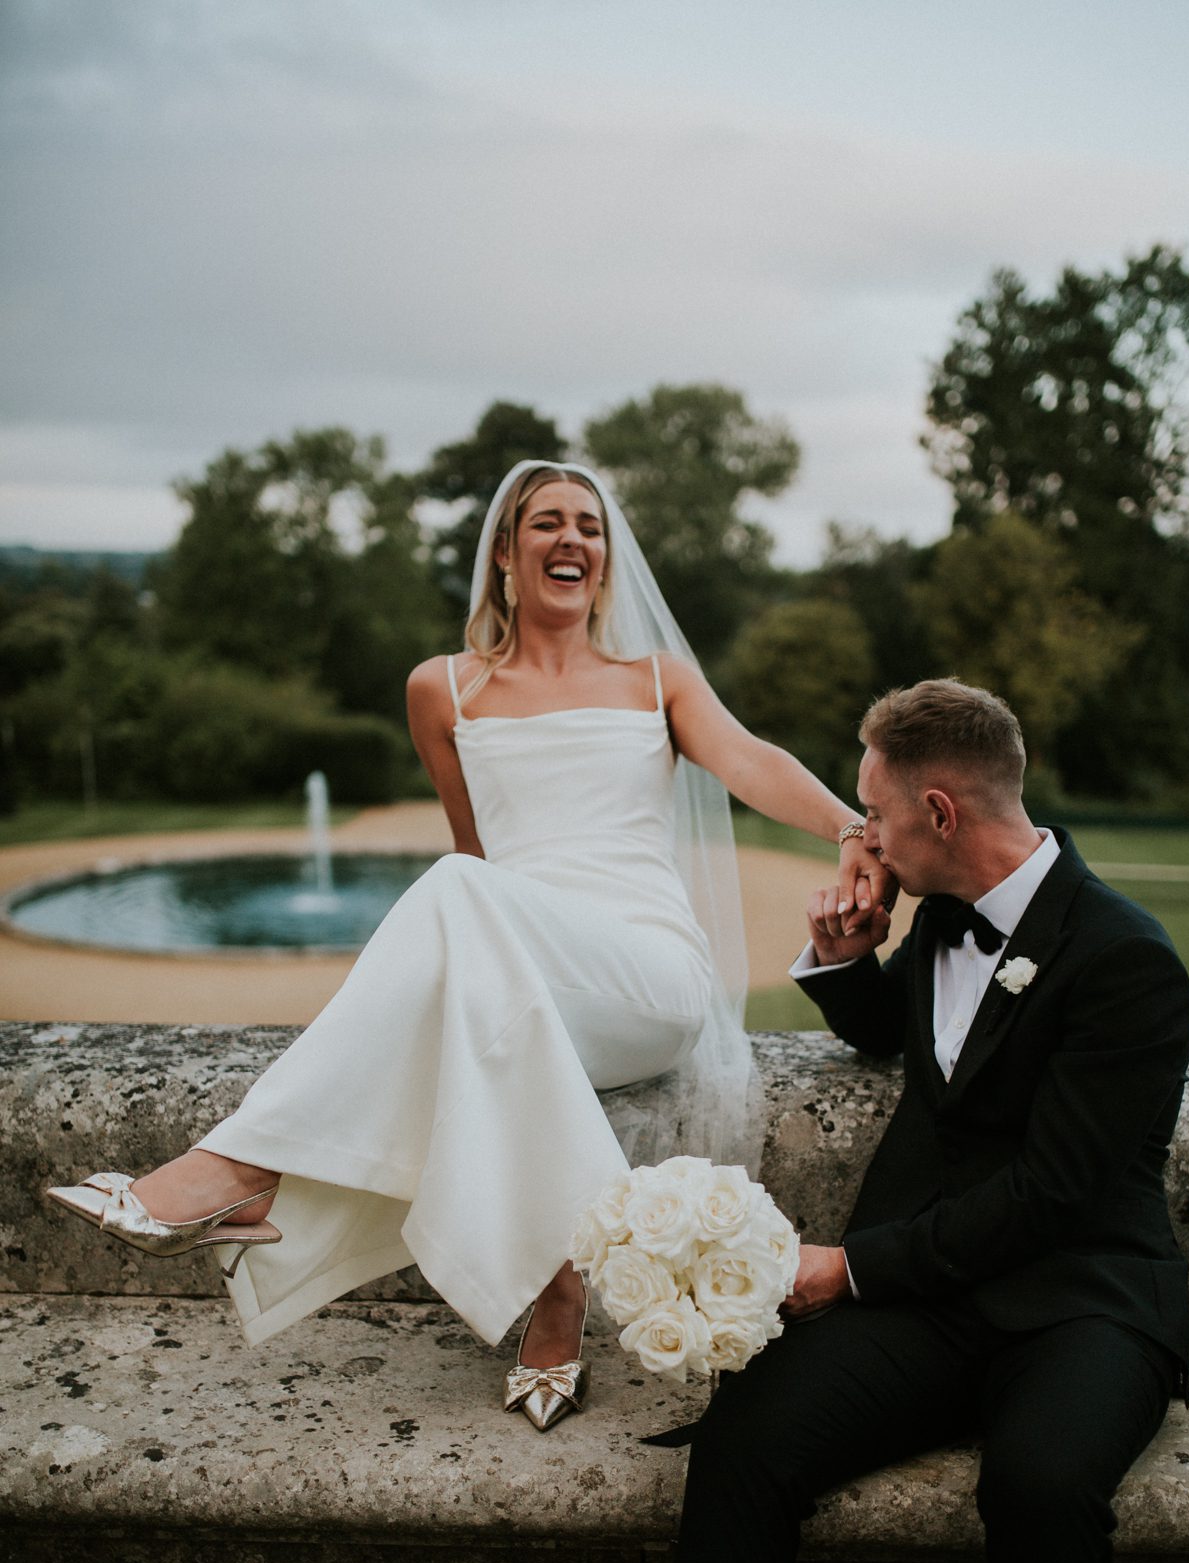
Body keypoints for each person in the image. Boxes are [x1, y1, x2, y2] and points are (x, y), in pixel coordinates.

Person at [527, 678, 1189, 1563]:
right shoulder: (944, 909)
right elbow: (911, 1039)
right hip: (938, 1302)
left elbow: (1057, 1193)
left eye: (875, 813)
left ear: (938, 808)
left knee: (1040, 1489)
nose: (862, 835)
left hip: (1081, 1303)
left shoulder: (1128, 959)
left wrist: (851, 1269)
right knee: (746, 1442)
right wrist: (843, 960)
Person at [46, 461, 888, 1430]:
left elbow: (748, 759)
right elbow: (477, 851)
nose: (572, 539)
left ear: (605, 559)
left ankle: (239, 1169)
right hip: (525, 974)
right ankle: (557, 1291)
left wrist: (850, 827)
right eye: (547, 522)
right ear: (504, 552)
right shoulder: (440, 688)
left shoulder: (656, 678)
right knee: (475, 944)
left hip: (646, 976)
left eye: (590, 525)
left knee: (454, 891)